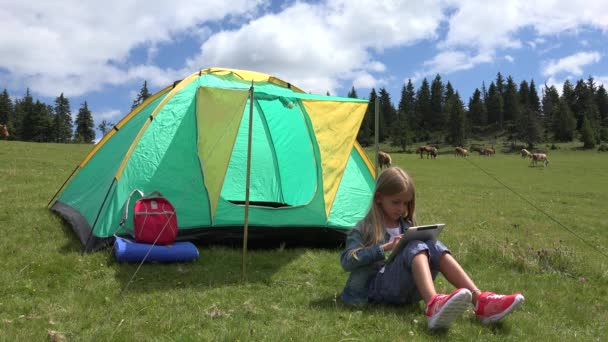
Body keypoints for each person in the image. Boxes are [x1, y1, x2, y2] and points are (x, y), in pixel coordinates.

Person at [340, 166, 524, 329]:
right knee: (415, 244)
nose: (402, 208)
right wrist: (386, 247)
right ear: (379, 198)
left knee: (431, 243)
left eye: (406, 203)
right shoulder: (364, 227)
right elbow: (347, 261)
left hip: (405, 292)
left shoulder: (406, 224)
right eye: (396, 202)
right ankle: (433, 305)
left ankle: (481, 301)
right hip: (374, 291)